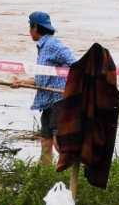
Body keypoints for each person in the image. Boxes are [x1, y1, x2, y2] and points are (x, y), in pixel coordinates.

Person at [12, 11, 77, 165]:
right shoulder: (44, 46)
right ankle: (45, 173)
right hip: (48, 102)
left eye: (30, 27)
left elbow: (76, 64)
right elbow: (42, 78)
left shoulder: (53, 45)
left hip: (59, 100)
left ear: (35, 27)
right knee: (46, 141)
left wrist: (71, 85)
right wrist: (21, 82)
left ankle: (72, 174)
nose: (29, 31)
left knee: (58, 141)